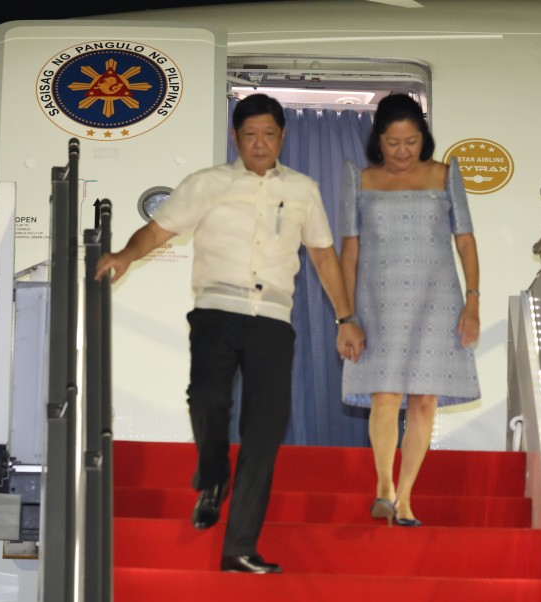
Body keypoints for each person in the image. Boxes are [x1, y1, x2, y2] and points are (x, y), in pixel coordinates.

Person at [95, 93, 365, 574]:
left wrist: (346, 318)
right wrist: (124, 256)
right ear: (235, 137)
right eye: (250, 134)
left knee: (265, 430)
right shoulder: (207, 183)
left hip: (273, 322)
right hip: (216, 313)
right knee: (207, 399)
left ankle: (239, 547)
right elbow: (157, 230)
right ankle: (214, 476)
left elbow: (324, 256)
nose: (260, 143)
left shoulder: (302, 189)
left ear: (282, 136)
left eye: (269, 134)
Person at [338, 94, 480, 527]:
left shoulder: (445, 175)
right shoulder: (359, 179)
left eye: (411, 142)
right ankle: (384, 486)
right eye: (393, 143)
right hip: (376, 303)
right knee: (384, 394)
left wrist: (473, 300)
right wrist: (347, 317)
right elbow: (349, 252)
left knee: (424, 399)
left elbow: (465, 241)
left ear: (424, 138)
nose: (403, 152)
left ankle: (404, 499)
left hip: (437, 299)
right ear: (378, 141)